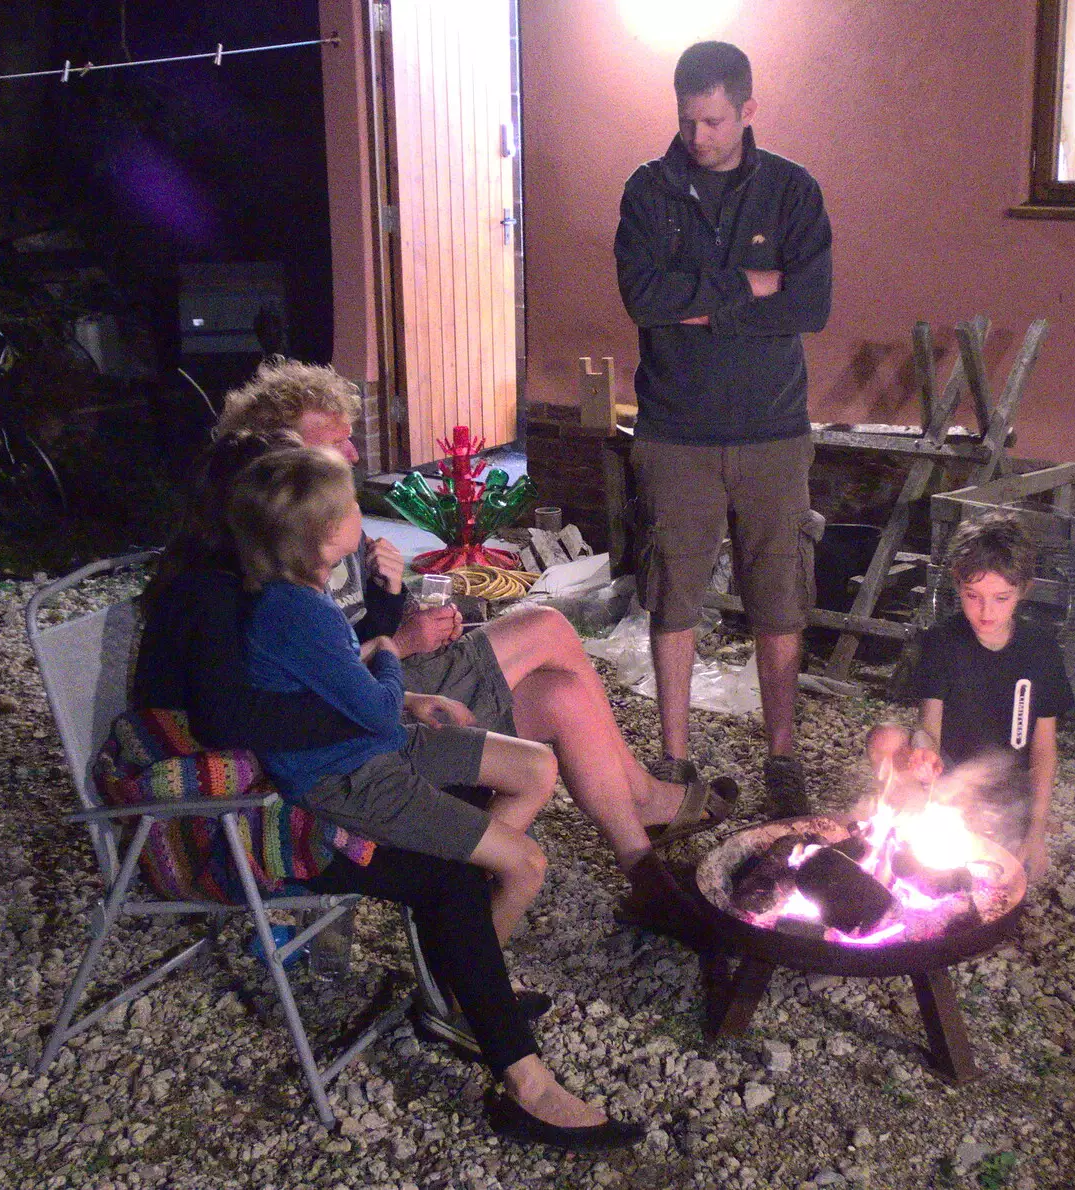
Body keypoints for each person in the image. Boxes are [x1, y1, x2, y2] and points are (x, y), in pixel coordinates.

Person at [213, 358, 734, 938]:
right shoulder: (278, 549)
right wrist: (399, 641)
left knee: (560, 695)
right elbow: (322, 664)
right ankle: (637, 798)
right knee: (545, 626)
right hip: (376, 705)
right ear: (286, 454)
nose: (356, 456)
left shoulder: (316, 529)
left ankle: (638, 866)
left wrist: (392, 598)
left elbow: (355, 626)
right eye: (336, 443)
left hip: (388, 675)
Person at [227, 444, 643, 1149]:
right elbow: (369, 697)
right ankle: (468, 1005)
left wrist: (406, 690)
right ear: (323, 531)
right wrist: (392, 654)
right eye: (351, 507)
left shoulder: (306, 598)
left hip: (379, 743)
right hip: (355, 778)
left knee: (535, 769)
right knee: (526, 864)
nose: (362, 517)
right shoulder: (292, 612)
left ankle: (455, 968)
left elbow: (354, 684)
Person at [613, 40, 833, 817]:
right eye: (686, 120)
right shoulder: (648, 193)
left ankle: (782, 756)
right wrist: (747, 285)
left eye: (712, 121)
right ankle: (673, 760)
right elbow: (642, 297)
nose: (698, 136)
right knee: (674, 596)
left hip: (774, 431)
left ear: (747, 109)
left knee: (779, 595)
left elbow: (808, 305)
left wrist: (698, 302)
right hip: (674, 433)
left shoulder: (792, 193)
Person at [866, 513, 1074, 884]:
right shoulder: (941, 642)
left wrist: (1038, 828)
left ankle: (1001, 828)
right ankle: (908, 828)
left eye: (1000, 598)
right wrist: (922, 751)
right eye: (973, 596)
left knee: (1004, 873)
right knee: (886, 738)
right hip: (947, 776)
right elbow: (928, 727)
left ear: (1022, 590)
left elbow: (1044, 749)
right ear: (957, 585)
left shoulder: (1041, 650)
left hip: (1004, 787)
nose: (986, 611)